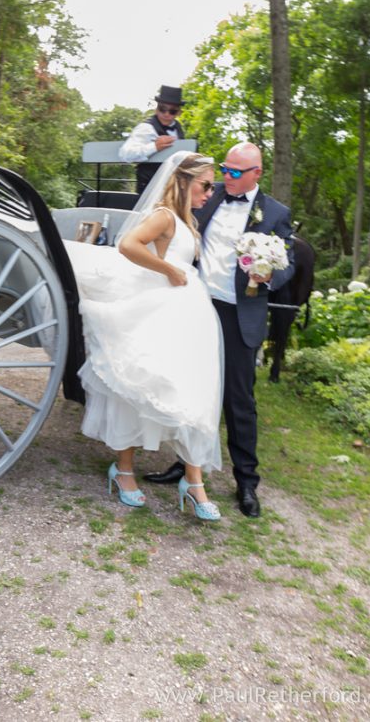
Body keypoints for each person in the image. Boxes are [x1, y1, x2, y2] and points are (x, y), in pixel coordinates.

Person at [64, 152, 223, 522]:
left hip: (187, 318)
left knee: (191, 394)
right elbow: (129, 245)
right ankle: (123, 470)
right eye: (205, 185)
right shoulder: (164, 216)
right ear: (184, 182)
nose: (210, 192)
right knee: (139, 388)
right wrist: (168, 268)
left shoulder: (189, 222)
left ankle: (194, 482)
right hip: (157, 312)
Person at [144, 143, 295, 518]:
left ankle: (246, 482)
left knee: (238, 400)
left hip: (239, 314)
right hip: (197, 305)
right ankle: (186, 466)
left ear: (256, 173)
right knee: (191, 390)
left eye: (234, 172)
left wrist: (270, 274)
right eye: (224, 170)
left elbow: (287, 262)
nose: (226, 178)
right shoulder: (208, 198)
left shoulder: (275, 213)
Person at [119, 85, 187, 194]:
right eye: (162, 109)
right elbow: (125, 154)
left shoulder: (178, 127)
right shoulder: (146, 128)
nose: (166, 114)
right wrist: (154, 147)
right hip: (149, 189)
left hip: (172, 189)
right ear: (156, 109)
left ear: (178, 113)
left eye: (172, 111)